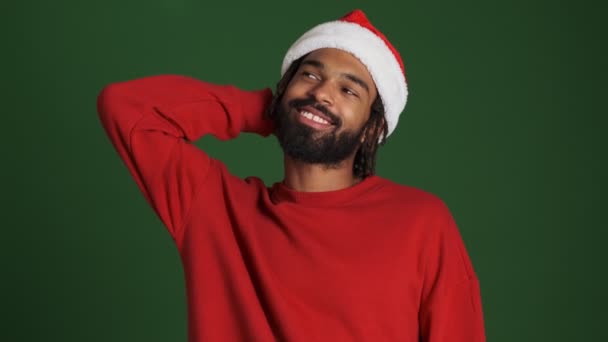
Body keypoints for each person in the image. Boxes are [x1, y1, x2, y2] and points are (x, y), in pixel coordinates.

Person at [97, 9, 486, 342]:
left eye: (349, 91)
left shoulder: (421, 221)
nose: (323, 94)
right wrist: (265, 110)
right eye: (311, 76)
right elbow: (126, 110)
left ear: (371, 129)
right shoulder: (212, 208)